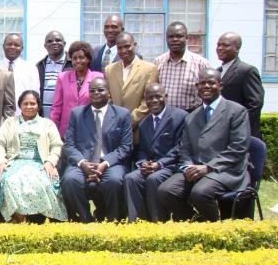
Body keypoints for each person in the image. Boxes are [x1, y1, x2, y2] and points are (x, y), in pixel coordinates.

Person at [158, 69, 250, 222]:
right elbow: (185, 149)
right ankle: (197, 223)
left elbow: (238, 148)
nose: (206, 86)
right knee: (166, 191)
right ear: (197, 87)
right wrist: (187, 166)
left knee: (200, 193)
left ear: (220, 86)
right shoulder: (192, 117)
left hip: (226, 171)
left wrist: (208, 167)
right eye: (202, 83)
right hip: (196, 170)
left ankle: (213, 232)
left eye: (211, 83)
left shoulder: (236, 111)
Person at [61, 78, 133, 222]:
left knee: (114, 180)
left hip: (110, 163)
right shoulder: (77, 114)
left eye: (100, 90)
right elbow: (69, 144)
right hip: (83, 162)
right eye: (92, 90)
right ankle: (85, 219)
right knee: (70, 180)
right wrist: (82, 163)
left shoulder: (122, 114)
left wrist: (104, 163)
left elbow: (126, 147)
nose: (96, 93)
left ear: (109, 93)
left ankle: (113, 220)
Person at [0, 90, 67, 223]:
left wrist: (50, 162)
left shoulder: (47, 124)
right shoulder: (10, 122)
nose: (29, 106)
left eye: (32, 103)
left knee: (44, 182)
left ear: (38, 105)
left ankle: (37, 220)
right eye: (25, 103)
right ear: (20, 105)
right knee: (10, 181)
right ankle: (19, 220)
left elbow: (56, 145)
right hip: (14, 162)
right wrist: (1, 162)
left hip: (41, 162)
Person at [123, 84, 187, 222]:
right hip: (151, 167)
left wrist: (159, 164)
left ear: (166, 97)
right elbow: (142, 150)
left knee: (154, 179)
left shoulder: (179, 116)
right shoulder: (144, 123)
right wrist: (143, 163)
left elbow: (180, 147)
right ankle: (138, 223)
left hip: (172, 166)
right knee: (131, 178)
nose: (153, 101)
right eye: (149, 98)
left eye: (158, 96)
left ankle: (157, 222)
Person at [104, 32, 159, 134]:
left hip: (139, 129)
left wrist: (129, 121)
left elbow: (148, 101)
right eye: (119, 48)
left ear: (135, 45)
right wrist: (116, 120)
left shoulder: (149, 69)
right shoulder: (109, 70)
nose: (123, 50)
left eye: (127, 46)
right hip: (114, 129)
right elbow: (108, 97)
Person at [216, 32, 265, 139]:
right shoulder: (217, 71)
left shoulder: (247, 70)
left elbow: (255, 104)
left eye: (225, 45)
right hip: (220, 133)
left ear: (237, 48)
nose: (220, 48)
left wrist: (236, 124)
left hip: (241, 133)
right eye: (218, 45)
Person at [49, 41, 102, 137]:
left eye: (81, 57)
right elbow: (57, 106)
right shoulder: (62, 77)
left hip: (90, 130)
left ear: (88, 59)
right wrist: (52, 126)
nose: (78, 61)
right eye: (74, 58)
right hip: (67, 130)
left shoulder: (98, 78)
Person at [154, 22, 210, 112]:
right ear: (166, 39)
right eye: (171, 37)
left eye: (179, 36)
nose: (175, 39)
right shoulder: (158, 62)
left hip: (190, 116)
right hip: (165, 117)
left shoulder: (201, 64)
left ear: (186, 38)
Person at [0, 33, 40, 115]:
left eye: (16, 45)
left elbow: (35, 95)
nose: (12, 47)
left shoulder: (31, 69)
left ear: (22, 48)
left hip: (23, 116)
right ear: (3, 46)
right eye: (9, 44)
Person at [35, 30, 72, 118]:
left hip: (66, 117)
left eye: (58, 40)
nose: (54, 43)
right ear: (45, 46)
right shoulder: (39, 66)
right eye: (50, 41)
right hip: (43, 118)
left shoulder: (72, 65)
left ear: (64, 43)